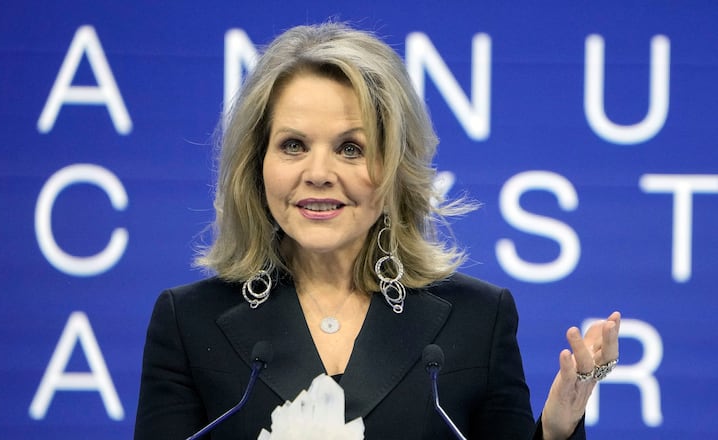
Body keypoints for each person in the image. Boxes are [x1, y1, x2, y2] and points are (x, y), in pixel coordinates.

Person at [134, 22, 620, 440]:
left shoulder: (478, 320)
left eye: (350, 148)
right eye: (293, 145)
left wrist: (557, 429)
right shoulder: (189, 322)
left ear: (395, 171)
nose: (319, 172)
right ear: (257, 165)